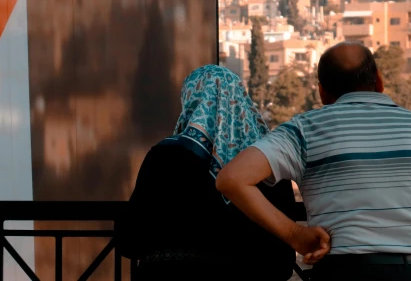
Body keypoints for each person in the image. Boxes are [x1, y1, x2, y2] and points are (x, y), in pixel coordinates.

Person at [216, 42, 411, 281]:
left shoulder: (304, 130)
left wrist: (295, 235)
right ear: (379, 81)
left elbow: (232, 179)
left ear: (322, 92)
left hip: (343, 273)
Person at [116, 65, 306, 280]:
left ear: (190, 100)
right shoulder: (267, 162)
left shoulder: (164, 157)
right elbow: (282, 256)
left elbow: (130, 238)